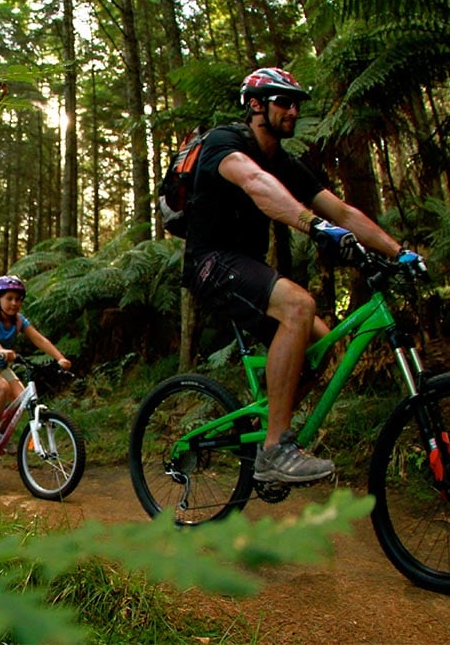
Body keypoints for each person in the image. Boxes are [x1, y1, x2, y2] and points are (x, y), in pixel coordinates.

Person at [182, 66, 426, 484]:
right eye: (284, 102)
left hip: (248, 269)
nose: (293, 111)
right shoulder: (226, 142)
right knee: (298, 304)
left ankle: (273, 435)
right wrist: (312, 225)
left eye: (297, 104)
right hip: (212, 263)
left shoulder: (286, 163)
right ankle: (276, 449)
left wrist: (399, 252)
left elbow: (344, 212)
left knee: (322, 341)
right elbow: (256, 183)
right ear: (256, 105)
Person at [0, 275, 72, 462]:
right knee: (1, 388)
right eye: (9, 298)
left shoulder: (19, 321)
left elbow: (40, 339)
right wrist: (0, 350)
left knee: (23, 398)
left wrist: (60, 358)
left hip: (1, 367)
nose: (14, 303)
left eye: (17, 299)